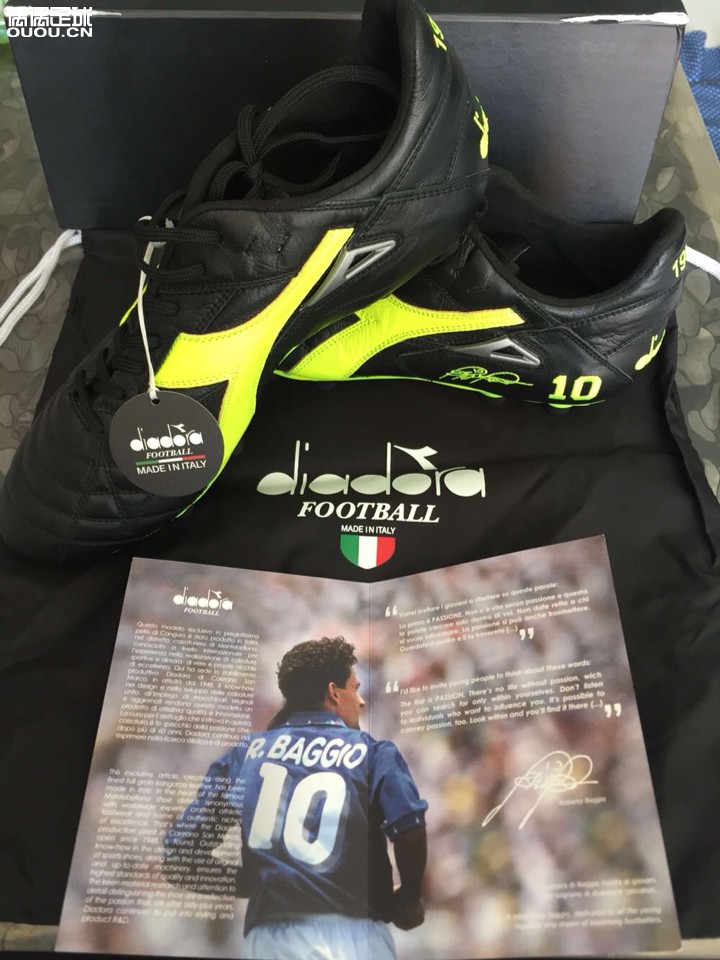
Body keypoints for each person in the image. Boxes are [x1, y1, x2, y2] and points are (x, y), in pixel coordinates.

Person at [164, 636, 428, 960]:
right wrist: (409, 898)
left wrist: (258, 882)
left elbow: (180, 857)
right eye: (355, 688)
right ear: (334, 692)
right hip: (356, 932)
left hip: (271, 937)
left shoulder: (245, 755)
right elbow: (409, 829)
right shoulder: (373, 753)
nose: (360, 701)